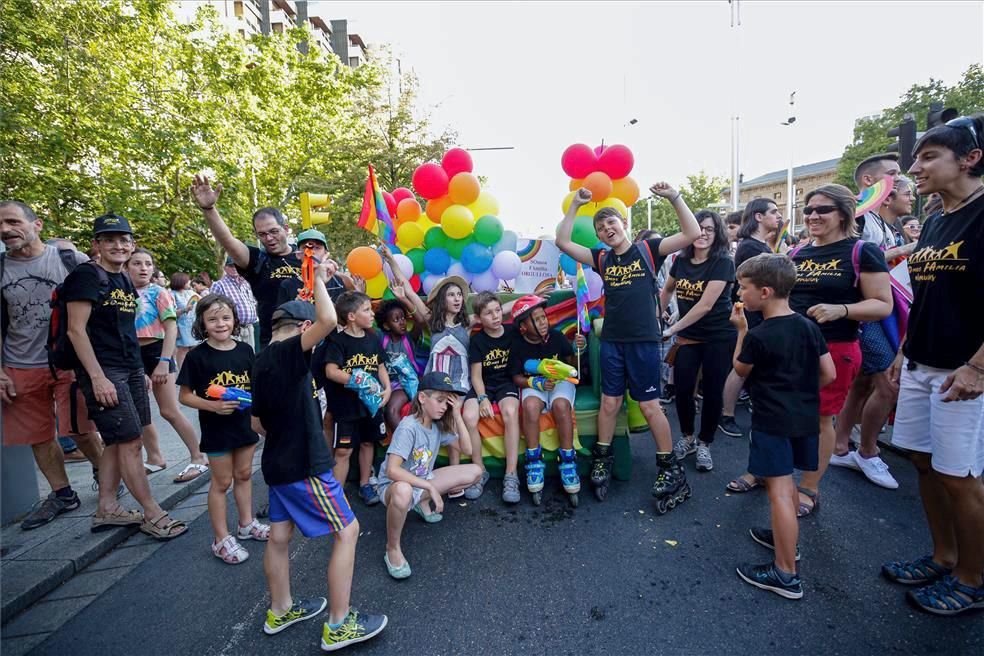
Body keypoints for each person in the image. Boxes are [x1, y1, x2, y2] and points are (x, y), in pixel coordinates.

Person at [251, 264, 387, 649]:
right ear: (301, 328)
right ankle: (339, 624)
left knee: (279, 536)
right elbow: (328, 317)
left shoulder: (262, 360)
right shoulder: (288, 354)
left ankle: (280, 609)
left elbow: (257, 424)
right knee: (349, 531)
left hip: (277, 462)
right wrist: (317, 274)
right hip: (304, 465)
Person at [882, 114, 984, 615]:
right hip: (922, 362)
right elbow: (924, 295)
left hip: (964, 372)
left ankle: (973, 578)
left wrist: (978, 368)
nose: (913, 167)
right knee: (924, 463)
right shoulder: (939, 219)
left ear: (970, 159)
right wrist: (904, 351)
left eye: (928, 157)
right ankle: (944, 556)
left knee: (959, 475)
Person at [555, 182, 700, 508]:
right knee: (609, 403)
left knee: (649, 405)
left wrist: (674, 197)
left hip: (644, 342)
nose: (607, 229)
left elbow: (690, 233)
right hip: (613, 342)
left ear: (624, 226)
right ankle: (603, 457)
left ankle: (668, 465)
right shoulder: (601, 257)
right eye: (601, 227)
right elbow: (562, 241)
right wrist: (575, 206)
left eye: (612, 223)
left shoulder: (648, 250)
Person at [64, 213, 187, 539]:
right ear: (97, 245)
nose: (118, 245)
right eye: (109, 240)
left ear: (131, 245)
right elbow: (76, 331)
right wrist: (97, 377)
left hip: (130, 369)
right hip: (104, 371)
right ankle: (152, 513)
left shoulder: (122, 279)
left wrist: (140, 371)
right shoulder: (86, 276)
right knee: (131, 442)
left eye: (124, 240)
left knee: (119, 442)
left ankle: (107, 507)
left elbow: (125, 330)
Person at [730, 253, 835, 599]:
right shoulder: (808, 325)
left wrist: (742, 330)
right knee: (787, 483)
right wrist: (799, 393)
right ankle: (785, 541)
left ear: (764, 291)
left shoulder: (759, 334)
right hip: (804, 417)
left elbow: (740, 369)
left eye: (743, 288)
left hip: (772, 420)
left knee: (777, 491)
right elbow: (829, 374)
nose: (739, 294)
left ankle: (785, 572)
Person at [788, 185, 892, 515]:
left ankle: (809, 488)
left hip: (835, 347)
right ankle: (768, 473)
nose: (813, 216)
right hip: (791, 347)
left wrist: (842, 310)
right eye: (808, 210)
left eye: (823, 210)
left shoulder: (862, 251)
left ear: (844, 213)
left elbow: (882, 305)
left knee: (821, 419)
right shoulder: (798, 252)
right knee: (783, 412)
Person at [0, 201, 105, 530]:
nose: (5, 229)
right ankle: (62, 494)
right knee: (39, 435)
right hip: (19, 364)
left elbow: (102, 306)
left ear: (37, 224)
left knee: (81, 428)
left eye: (13, 221)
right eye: (0, 225)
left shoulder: (70, 260)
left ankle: (107, 478)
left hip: (69, 361)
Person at [828, 166, 912, 490]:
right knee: (889, 384)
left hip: (883, 311)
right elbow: (854, 260)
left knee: (863, 383)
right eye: (895, 178)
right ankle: (867, 450)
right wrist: (904, 252)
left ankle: (840, 446)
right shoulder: (861, 220)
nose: (907, 182)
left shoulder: (890, 226)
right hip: (866, 314)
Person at [177, 293, 267, 564]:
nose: (220, 323)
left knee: (243, 475)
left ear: (235, 320)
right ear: (202, 324)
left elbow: (256, 387)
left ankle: (246, 524)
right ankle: (220, 538)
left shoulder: (245, 350)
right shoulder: (197, 356)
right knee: (221, 482)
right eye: (212, 319)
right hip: (217, 430)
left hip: (245, 426)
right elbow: (184, 396)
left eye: (226, 317)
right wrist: (213, 406)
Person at [376, 372, 481, 579]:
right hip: (393, 486)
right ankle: (392, 548)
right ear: (422, 398)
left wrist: (458, 415)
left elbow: (467, 450)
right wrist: (430, 487)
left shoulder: (437, 425)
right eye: (440, 400)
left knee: (475, 472)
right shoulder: (409, 427)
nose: (444, 406)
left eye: (447, 402)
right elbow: (392, 471)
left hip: (420, 481)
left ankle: (419, 502)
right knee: (404, 491)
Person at [660, 210, 737, 473]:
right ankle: (688, 438)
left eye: (709, 229)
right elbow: (667, 289)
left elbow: (705, 305)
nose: (702, 233)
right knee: (682, 389)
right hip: (688, 338)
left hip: (718, 336)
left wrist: (672, 329)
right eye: (698, 228)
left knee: (713, 391)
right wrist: (657, 316)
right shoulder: (680, 262)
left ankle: (705, 442)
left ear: (718, 234)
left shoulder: (723, 262)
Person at [191, 175, 301, 350]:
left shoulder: (306, 256)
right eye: (262, 234)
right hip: (275, 343)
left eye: (274, 231)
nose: (269, 238)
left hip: (314, 338)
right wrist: (209, 208)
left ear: (286, 229)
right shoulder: (257, 259)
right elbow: (227, 240)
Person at [127, 248, 209, 483]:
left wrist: (164, 361)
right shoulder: (120, 292)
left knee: (169, 410)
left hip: (157, 352)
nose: (143, 268)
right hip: (131, 355)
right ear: (126, 266)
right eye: (137, 263)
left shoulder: (158, 292)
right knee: (140, 412)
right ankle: (155, 458)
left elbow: (171, 328)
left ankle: (198, 455)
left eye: (148, 264)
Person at [315, 291, 390, 506]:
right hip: (345, 407)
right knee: (343, 450)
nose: (372, 314)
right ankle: (336, 495)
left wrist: (387, 389)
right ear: (351, 316)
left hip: (371, 406)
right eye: (366, 310)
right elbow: (331, 371)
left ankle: (365, 484)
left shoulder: (373, 337)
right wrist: (359, 381)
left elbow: (380, 366)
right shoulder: (338, 341)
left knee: (368, 443)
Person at [508, 294, 583, 505]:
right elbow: (516, 377)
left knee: (560, 405)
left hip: (560, 381)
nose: (543, 323)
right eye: (537, 319)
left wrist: (580, 348)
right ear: (523, 326)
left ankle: (568, 460)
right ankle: (534, 461)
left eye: (544, 317)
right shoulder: (518, 345)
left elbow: (572, 365)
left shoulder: (557, 337)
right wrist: (536, 384)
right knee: (530, 406)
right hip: (534, 383)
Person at [719, 198, 784, 442]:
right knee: (742, 365)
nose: (778, 216)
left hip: (760, 314)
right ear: (758, 216)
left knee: (749, 365)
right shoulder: (750, 248)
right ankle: (726, 415)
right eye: (773, 212)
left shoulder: (759, 245)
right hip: (751, 314)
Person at [461, 291, 519, 501]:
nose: (495, 316)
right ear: (479, 318)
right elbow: (476, 376)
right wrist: (482, 398)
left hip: (506, 383)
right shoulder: (477, 341)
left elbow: (521, 309)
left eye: (497, 311)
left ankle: (511, 475)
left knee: (511, 412)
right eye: (488, 313)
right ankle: (479, 471)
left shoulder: (513, 331)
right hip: (483, 384)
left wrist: (535, 296)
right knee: (469, 416)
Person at [374, 295, 425, 431]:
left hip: (405, 383)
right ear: (386, 325)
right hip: (388, 383)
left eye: (403, 318)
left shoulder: (409, 338)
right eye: (396, 320)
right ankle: (402, 444)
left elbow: (420, 321)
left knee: (391, 410)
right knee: (385, 411)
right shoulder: (381, 338)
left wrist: (404, 299)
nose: (402, 322)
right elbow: (367, 327)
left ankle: (405, 444)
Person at [276, 229, 352, 305]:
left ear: (326, 253)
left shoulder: (338, 282)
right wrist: (296, 306)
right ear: (298, 254)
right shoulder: (287, 285)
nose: (311, 252)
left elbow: (344, 314)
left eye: (317, 248)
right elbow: (280, 315)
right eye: (306, 248)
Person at [210, 256, 259, 351]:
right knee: (234, 355)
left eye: (237, 265)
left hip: (249, 327)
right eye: (231, 266)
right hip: (232, 329)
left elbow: (253, 302)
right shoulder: (219, 285)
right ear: (225, 268)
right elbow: (211, 309)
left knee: (250, 355)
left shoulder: (246, 283)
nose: (235, 268)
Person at [171, 272, 200, 369]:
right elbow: (170, 313)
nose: (190, 282)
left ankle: (194, 371)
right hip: (181, 326)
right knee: (183, 349)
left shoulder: (191, 293)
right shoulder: (172, 295)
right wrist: (184, 310)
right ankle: (182, 372)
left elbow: (203, 301)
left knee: (195, 349)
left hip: (193, 325)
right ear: (181, 281)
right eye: (187, 281)